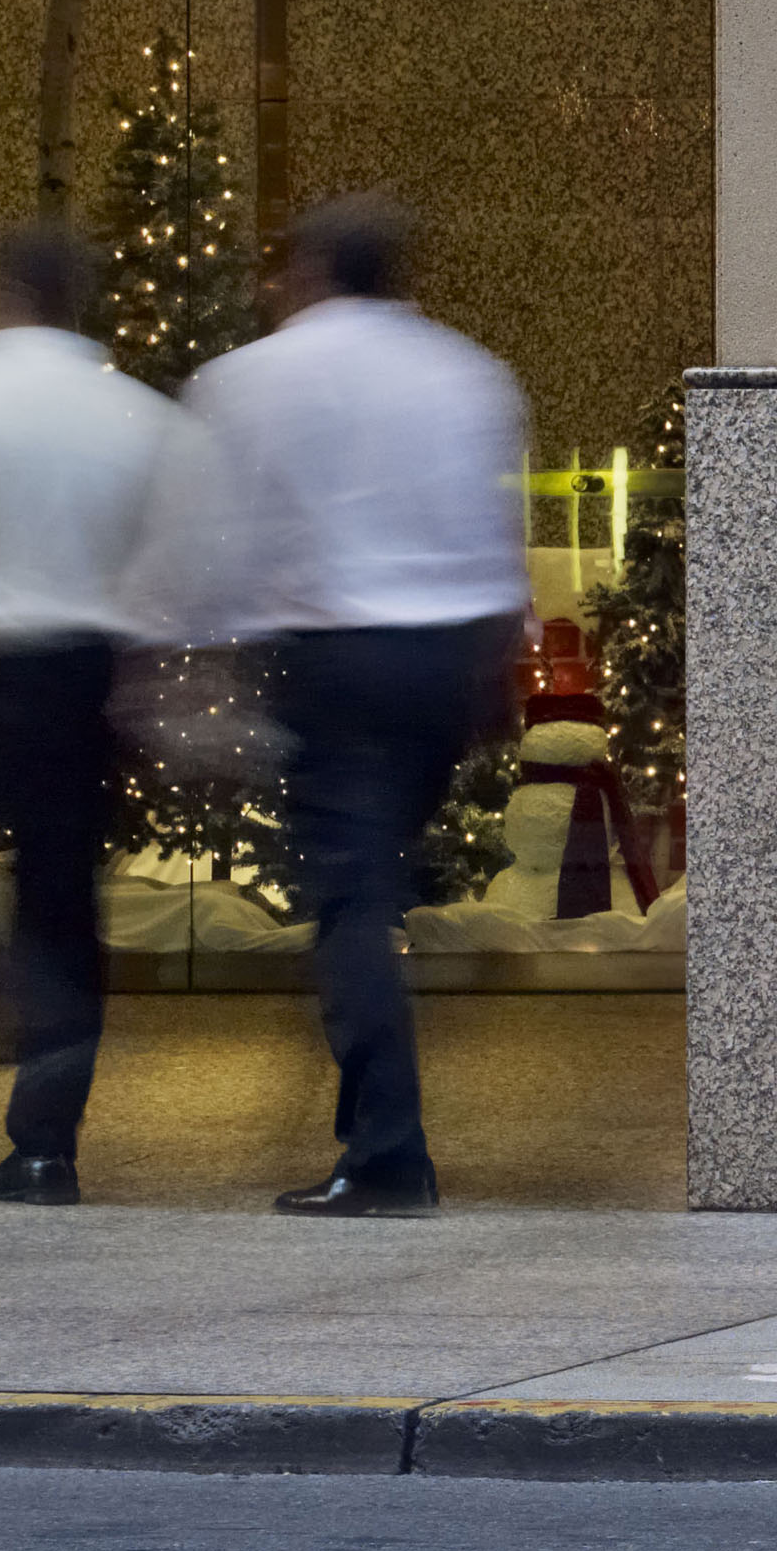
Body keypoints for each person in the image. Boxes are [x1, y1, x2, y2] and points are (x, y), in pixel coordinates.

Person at [128, 200, 524, 1217]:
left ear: (307, 270)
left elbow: (214, 532)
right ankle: (382, 1117)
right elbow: (492, 536)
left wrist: (180, 663)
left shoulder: (253, 379)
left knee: (349, 898)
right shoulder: (468, 373)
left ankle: (388, 1150)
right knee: (374, 880)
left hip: (336, 659)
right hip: (446, 657)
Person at [0, 219, 174, 1205]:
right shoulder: (136, 416)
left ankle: (7, 1006)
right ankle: (44, 1145)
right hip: (87, 678)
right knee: (63, 902)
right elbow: (178, 562)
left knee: (10, 888)